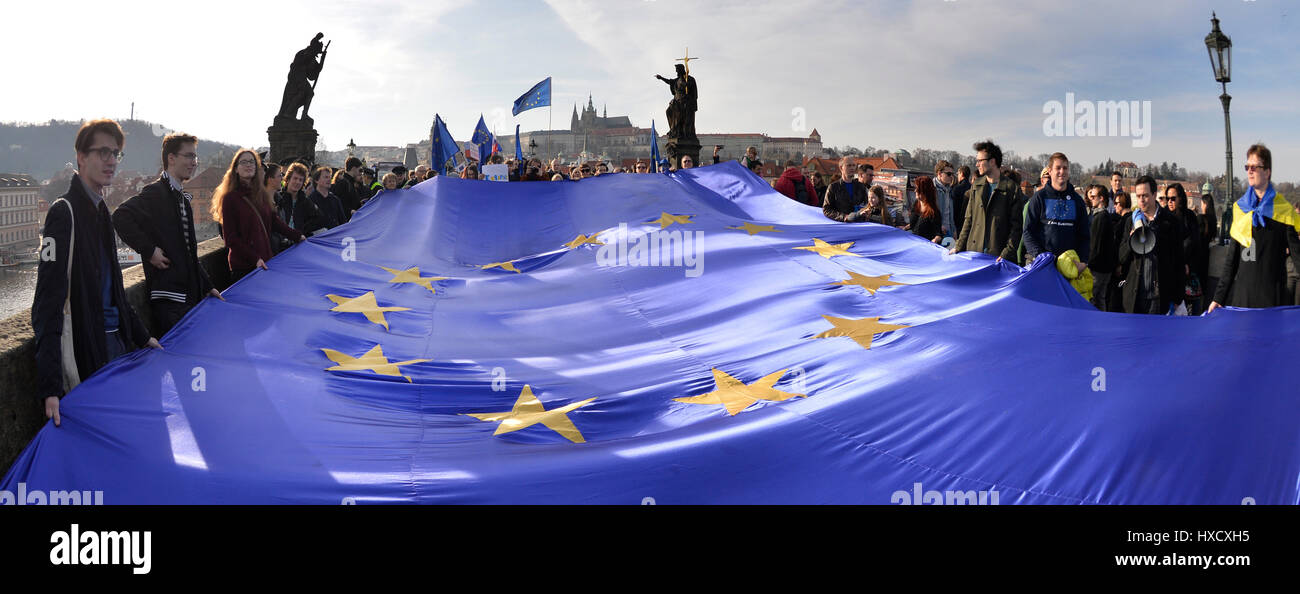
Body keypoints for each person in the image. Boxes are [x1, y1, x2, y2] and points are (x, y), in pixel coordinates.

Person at [33, 119, 162, 426]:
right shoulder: (62, 214)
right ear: (81, 156)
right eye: (103, 152)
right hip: (90, 348)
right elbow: (47, 302)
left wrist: (143, 336)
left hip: (118, 342)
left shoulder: (103, 210)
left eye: (116, 153)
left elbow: (114, 286)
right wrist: (51, 387)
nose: (111, 161)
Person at [112, 132, 223, 335]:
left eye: (195, 157)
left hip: (187, 295)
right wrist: (149, 251)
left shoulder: (180, 196)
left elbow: (188, 251)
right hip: (170, 300)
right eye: (189, 156)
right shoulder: (156, 192)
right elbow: (120, 216)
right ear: (171, 158)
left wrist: (207, 285)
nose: (194, 162)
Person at [1208, 144, 1300, 311]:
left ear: (1267, 172)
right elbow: (1231, 261)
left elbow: (1298, 257)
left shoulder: (1284, 211)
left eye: (1254, 167)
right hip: (1243, 300)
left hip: (1274, 302)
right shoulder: (1240, 209)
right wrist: (1218, 298)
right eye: (1247, 167)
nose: (1249, 171)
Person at [212, 150, 304, 282]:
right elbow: (231, 238)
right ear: (236, 169)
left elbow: (274, 222)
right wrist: (255, 258)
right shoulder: (230, 198)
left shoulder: (260, 194)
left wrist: (297, 236)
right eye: (243, 162)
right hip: (245, 267)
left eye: (252, 162)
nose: (248, 165)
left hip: (265, 261)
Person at [1118, 175, 1185, 314]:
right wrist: (1131, 242)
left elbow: (1178, 261)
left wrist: (1178, 298)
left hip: (1159, 297)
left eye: (1145, 196)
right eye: (1138, 196)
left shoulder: (1171, 222)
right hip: (1135, 296)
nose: (1141, 200)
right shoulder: (1130, 221)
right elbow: (1121, 257)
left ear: (1155, 194)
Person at [950, 140, 1022, 262]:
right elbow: (968, 219)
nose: (977, 164)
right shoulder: (976, 186)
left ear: (992, 161)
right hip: (974, 254)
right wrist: (959, 246)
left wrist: (1006, 254)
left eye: (979, 161)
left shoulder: (1012, 189)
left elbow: (1016, 228)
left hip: (997, 257)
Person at [1022, 153, 1090, 270]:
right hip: (1041, 265)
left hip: (1068, 267)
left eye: (1065, 168)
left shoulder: (1077, 201)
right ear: (1050, 171)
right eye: (1058, 168)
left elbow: (1084, 235)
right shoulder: (1039, 198)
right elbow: (1028, 232)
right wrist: (1040, 256)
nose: (1062, 172)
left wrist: (1083, 262)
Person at [1164, 183, 1201, 313]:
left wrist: (1184, 262)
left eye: (1173, 198)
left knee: (1191, 309)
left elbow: (1193, 241)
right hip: (1169, 270)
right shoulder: (1163, 216)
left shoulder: (1189, 216)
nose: (1169, 202)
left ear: (1180, 198)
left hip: (1188, 269)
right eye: (1167, 198)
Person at [1084, 184, 1117, 311]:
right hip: (1105, 267)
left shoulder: (1100, 217)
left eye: (1093, 196)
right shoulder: (1104, 216)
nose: (1091, 198)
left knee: (1093, 299)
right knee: (1100, 299)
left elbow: (1095, 245)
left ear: (1101, 198)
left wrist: (1088, 263)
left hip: (1097, 268)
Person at [278, 162, 326, 236]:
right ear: (288, 179)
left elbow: (319, 219)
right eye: (295, 178)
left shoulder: (305, 201)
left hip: (300, 242)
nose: (297, 182)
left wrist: (304, 230)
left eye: (300, 180)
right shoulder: (278, 198)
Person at [1196, 193, 1218, 309]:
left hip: (1199, 254)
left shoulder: (1200, 219)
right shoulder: (1213, 219)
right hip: (1207, 254)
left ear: (1204, 204)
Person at [910, 176, 943, 243]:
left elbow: (938, 234)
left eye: (917, 188)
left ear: (925, 191)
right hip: (913, 243)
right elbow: (914, 224)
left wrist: (935, 240)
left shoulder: (934, 212)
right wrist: (904, 228)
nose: (915, 190)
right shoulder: (916, 204)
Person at [933, 160, 957, 239]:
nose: (951, 177)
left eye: (952, 174)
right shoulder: (932, 189)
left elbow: (950, 213)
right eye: (949, 174)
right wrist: (938, 226)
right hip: (936, 233)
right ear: (939, 174)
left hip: (948, 232)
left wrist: (953, 230)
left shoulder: (949, 190)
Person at [951, 164, 971, 235]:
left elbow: (953, 207)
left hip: (957, 221)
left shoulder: (956, 188)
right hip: (968, 221)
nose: (957, 176)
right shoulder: (972, 188)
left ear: (962, 174)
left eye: (958, 174)